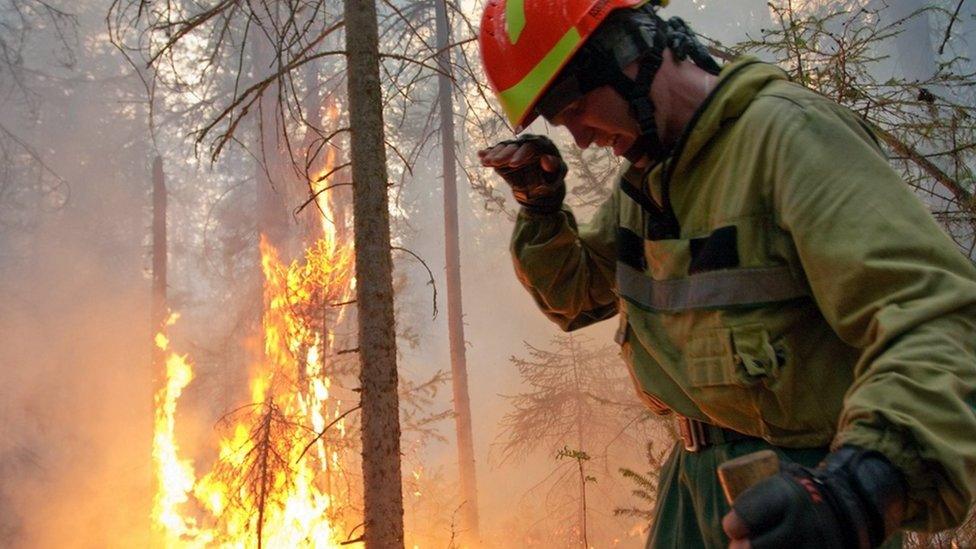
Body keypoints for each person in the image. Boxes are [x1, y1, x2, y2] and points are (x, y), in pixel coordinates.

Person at [476, 0, 976, 547]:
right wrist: (540, 204)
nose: (581, 139)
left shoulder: (788, 136)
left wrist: (863, 486)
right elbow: (577, 295)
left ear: (625, 55)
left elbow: (936, 316)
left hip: (803, 492)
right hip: (693, 481)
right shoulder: (651, 177)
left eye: (574, 108)